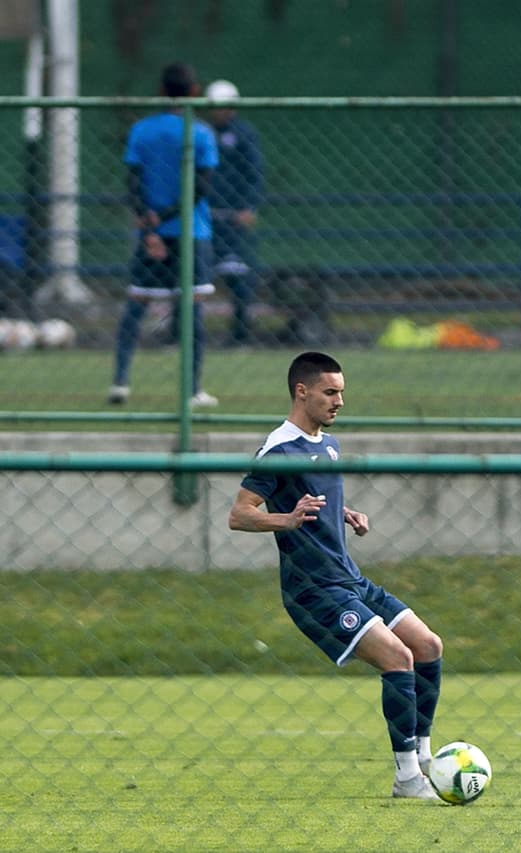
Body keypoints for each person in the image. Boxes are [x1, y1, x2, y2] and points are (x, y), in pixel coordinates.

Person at [228, 351, 447, 802]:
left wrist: (344, 514)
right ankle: (407, 779)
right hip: (314, 589)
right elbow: (239, 514)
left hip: (350, 578)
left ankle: (426, 757)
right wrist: (285, 520)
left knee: (427, 646)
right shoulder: (278, 450)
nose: (340, 401)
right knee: (398, 658)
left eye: (342, 392)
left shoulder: (327, 443)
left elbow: (316, 498)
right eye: (331, 392)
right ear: (301, 392)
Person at [108, 62, 220, 407]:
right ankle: (191, 390)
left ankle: (120, 382)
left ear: (160, 91)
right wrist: (168, 217)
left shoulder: (142, 130)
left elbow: (133, 181)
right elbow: (200, 187)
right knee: (192, 309)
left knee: (136, 305)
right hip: (191, 233)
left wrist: (148, 223)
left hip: (151, 233)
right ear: (194, 92)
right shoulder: (200, 133)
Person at [205, 79, 265, 347]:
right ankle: (180, 335)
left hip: (232, 220)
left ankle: (240, 335)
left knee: (239, 278)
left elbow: (255, 173)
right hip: (205, 218)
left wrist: (248, 207)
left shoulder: (244, 134)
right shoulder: (202, 133)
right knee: (192, 278)